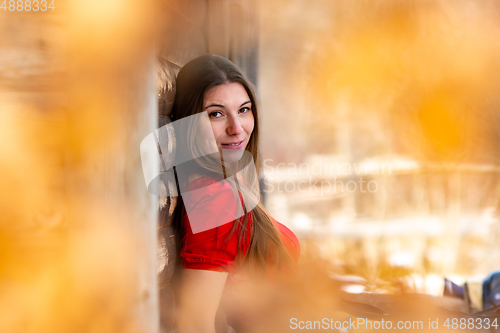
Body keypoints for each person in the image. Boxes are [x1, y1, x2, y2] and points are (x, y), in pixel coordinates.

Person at [169, 54, 300, 333]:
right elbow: (193, 323)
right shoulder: (216, 198)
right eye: (216, 114)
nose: (237, 128)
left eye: (243, 110)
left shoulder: (227, 181)